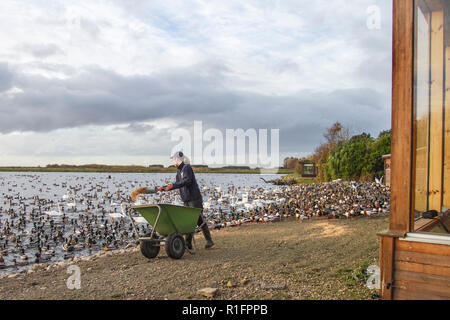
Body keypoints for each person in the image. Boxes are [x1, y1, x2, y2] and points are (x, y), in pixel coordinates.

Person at [130, 151, 214, 250]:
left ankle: (205, 241)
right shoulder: (179, 172)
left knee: (196, 220)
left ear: (178, 159)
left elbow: (187, 181)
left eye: (174, 159)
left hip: (194, 198)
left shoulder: (187, 168)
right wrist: (164, 188)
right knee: (190, 220)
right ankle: (189, 243)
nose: (173, 161)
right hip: (186, 199)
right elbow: (177, 183)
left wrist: (173, 186)